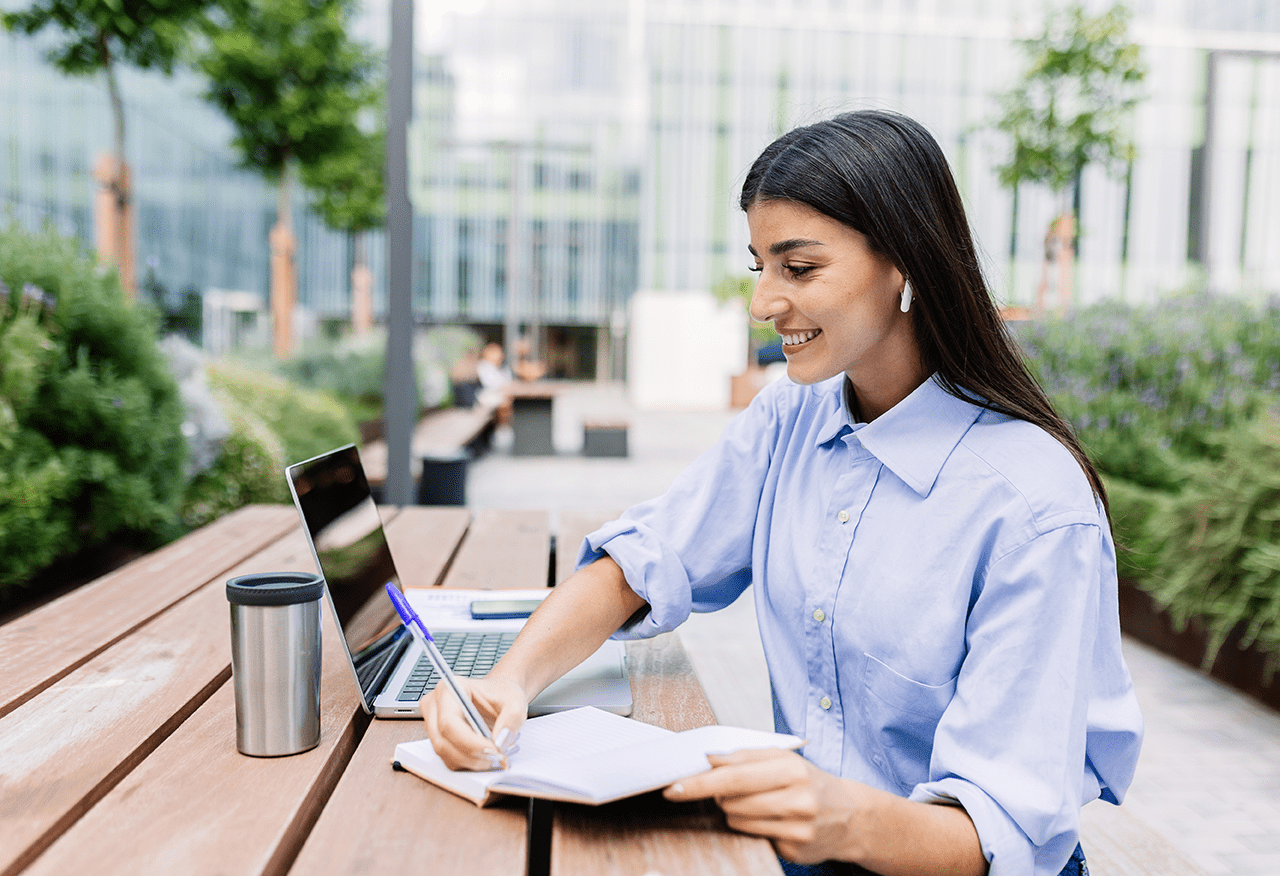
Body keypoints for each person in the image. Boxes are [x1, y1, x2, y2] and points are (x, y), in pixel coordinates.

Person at [419, 110, 1142, 876]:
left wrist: (838, 816)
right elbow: (643, 561)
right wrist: (508, 682)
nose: (763, 303)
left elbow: (1004, 837)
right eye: (758, 266)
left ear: (905, 264)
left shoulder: (1033, 509)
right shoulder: (792, 414)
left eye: (797, 269)